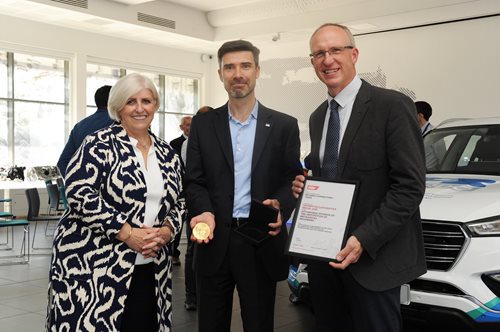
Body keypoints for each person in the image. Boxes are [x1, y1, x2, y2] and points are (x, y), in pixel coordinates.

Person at [291, 23, 427, 332]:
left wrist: (364, 238)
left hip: (373, 262)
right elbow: (328, 173)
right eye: (319, 53)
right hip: (325, 261)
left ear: (354, 54)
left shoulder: (391, 106)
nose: (328, 60)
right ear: (312, 62)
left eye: (336, 50)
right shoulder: (318, 117)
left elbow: (409, 187)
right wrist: (306, 185)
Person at [46, 73, 185, 332]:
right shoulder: (98, 144)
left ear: (155, 105)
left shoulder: (167, 154)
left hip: (152, 262)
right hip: (94, 265)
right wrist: (128, 233)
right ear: (118, 107)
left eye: (147, 101)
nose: (140, 108)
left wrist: (166, 232)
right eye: (131, 101)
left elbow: (181, 199)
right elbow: (79, 192)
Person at [184, 40, 301, 331]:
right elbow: (194, 180)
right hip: (213, 240)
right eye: (230, 67)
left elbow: (291, 180)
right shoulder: (203, 125)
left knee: (259, 323)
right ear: (220, 73)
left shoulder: (284, 125)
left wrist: (281, 206)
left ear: (257, 71)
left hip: (259, 239)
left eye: (245, 66)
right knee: (210, 324)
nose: (238, 73)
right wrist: (204, 211)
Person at [181, 105, 213, 311]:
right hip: (198, 205)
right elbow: (193, 177)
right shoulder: (191, 144)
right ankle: (192, 295)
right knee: (194, 250)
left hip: (209, 206)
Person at [57, 85, 114, 178]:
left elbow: (62, 163)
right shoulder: (119, 123)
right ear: (115, 100)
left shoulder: (79, 127)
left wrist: (77, 185)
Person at [169, 115, 192, 266]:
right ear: (182, 127)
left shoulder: (201, 142)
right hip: (180, 189)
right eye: (188, 125)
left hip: (194, 188)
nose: (191, 127)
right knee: (177, 221)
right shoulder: (174, 144)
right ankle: (173, 253)